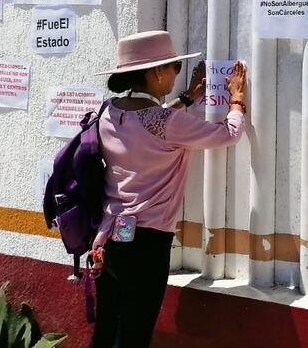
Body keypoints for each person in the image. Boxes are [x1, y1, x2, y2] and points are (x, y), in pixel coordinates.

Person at [89, 30, 248, 347]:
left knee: (107, 329)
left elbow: (147, 127)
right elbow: (228, 134)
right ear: (156, 72)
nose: (175, 72)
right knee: (134, 332)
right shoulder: (166, 122)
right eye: (174, 66)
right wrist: (237, 98)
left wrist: (187, 99)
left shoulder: (109, 112)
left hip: (108, 238)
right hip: (146, 243)